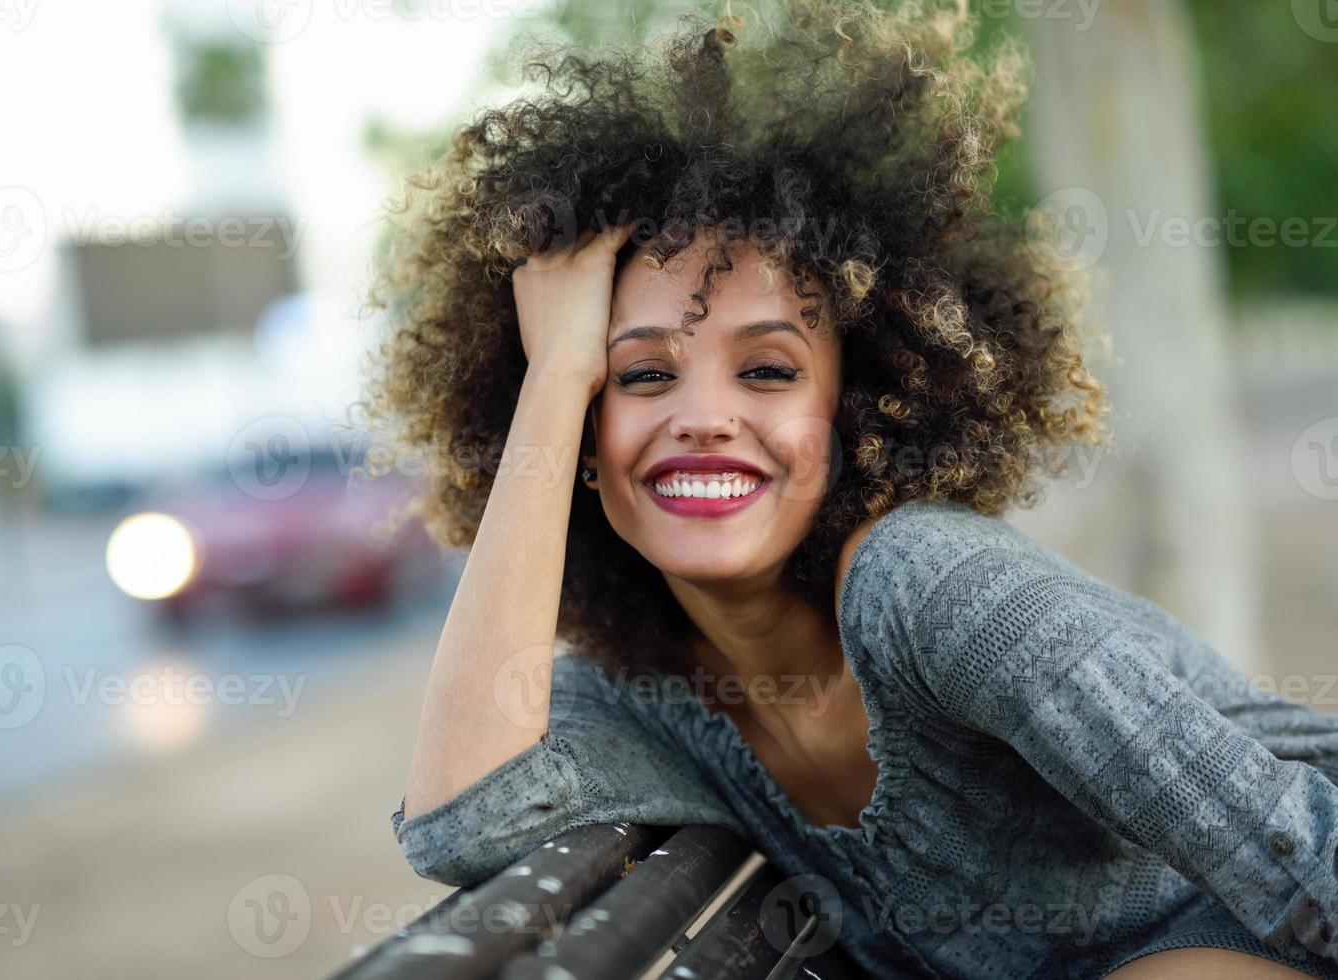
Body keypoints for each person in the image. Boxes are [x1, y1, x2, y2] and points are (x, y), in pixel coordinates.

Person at [361, 2, 1338, 976]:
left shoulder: (928, 587)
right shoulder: (639, 694)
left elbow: (1294, 849)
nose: (701, 416)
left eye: (768, 370)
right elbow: (464, 822)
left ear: (854, 411)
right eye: (640, 374)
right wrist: (555, 374)